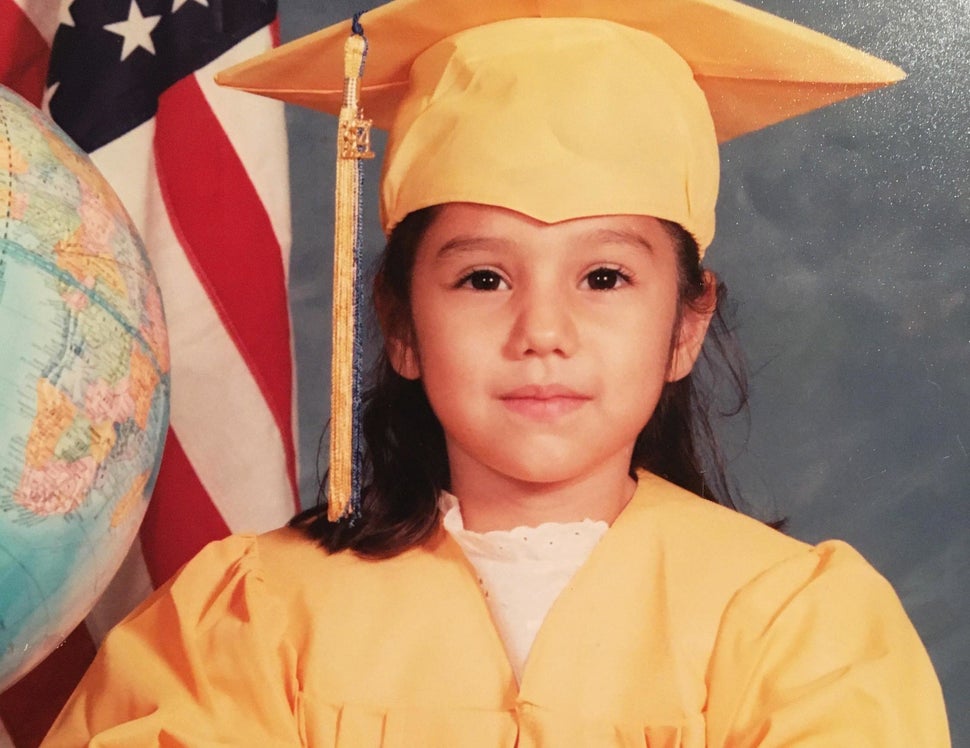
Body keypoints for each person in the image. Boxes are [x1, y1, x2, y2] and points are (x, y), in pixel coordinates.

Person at [44, 0, 950, 745]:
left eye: (605, 278)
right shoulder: (252, 621)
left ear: (685, 325)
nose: (542, 331)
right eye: (483, 278)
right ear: (400, 325)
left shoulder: (800, 629)